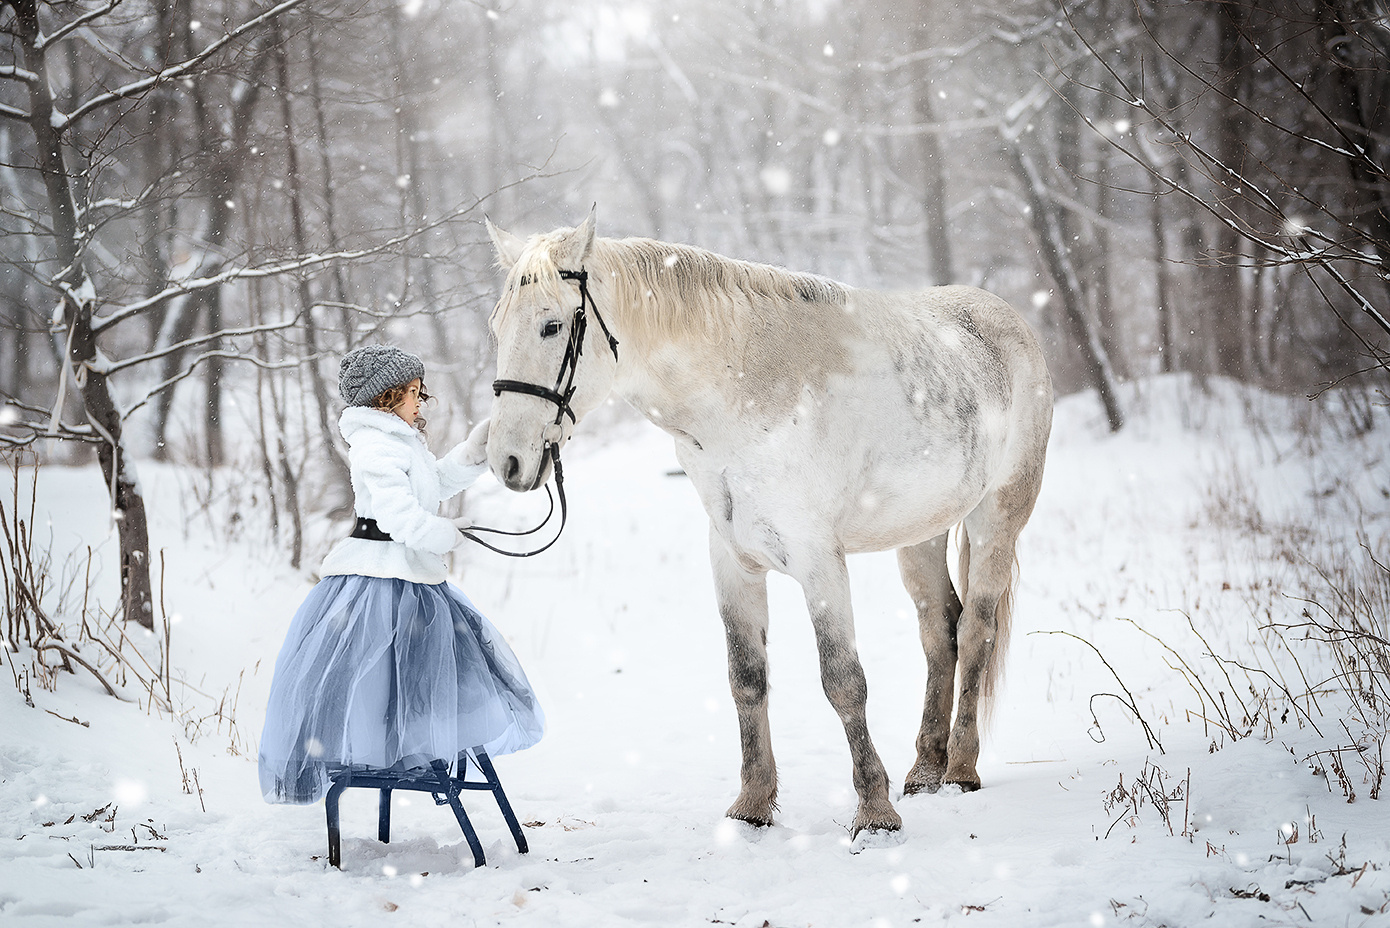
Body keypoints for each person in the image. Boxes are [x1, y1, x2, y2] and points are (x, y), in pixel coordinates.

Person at [258, 345, 544, 805]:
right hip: (378, 581)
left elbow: (433, 484)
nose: (419, 402)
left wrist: (473, 454)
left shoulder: (400, 440)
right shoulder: (375, 446)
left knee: (421, 674)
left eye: (418, 392)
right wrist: (446, 535)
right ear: (383, 398)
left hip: (409, 579)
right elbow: (400, 518)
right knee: (379, 679)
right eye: (410, 393)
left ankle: (420, 749)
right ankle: (391, 752)